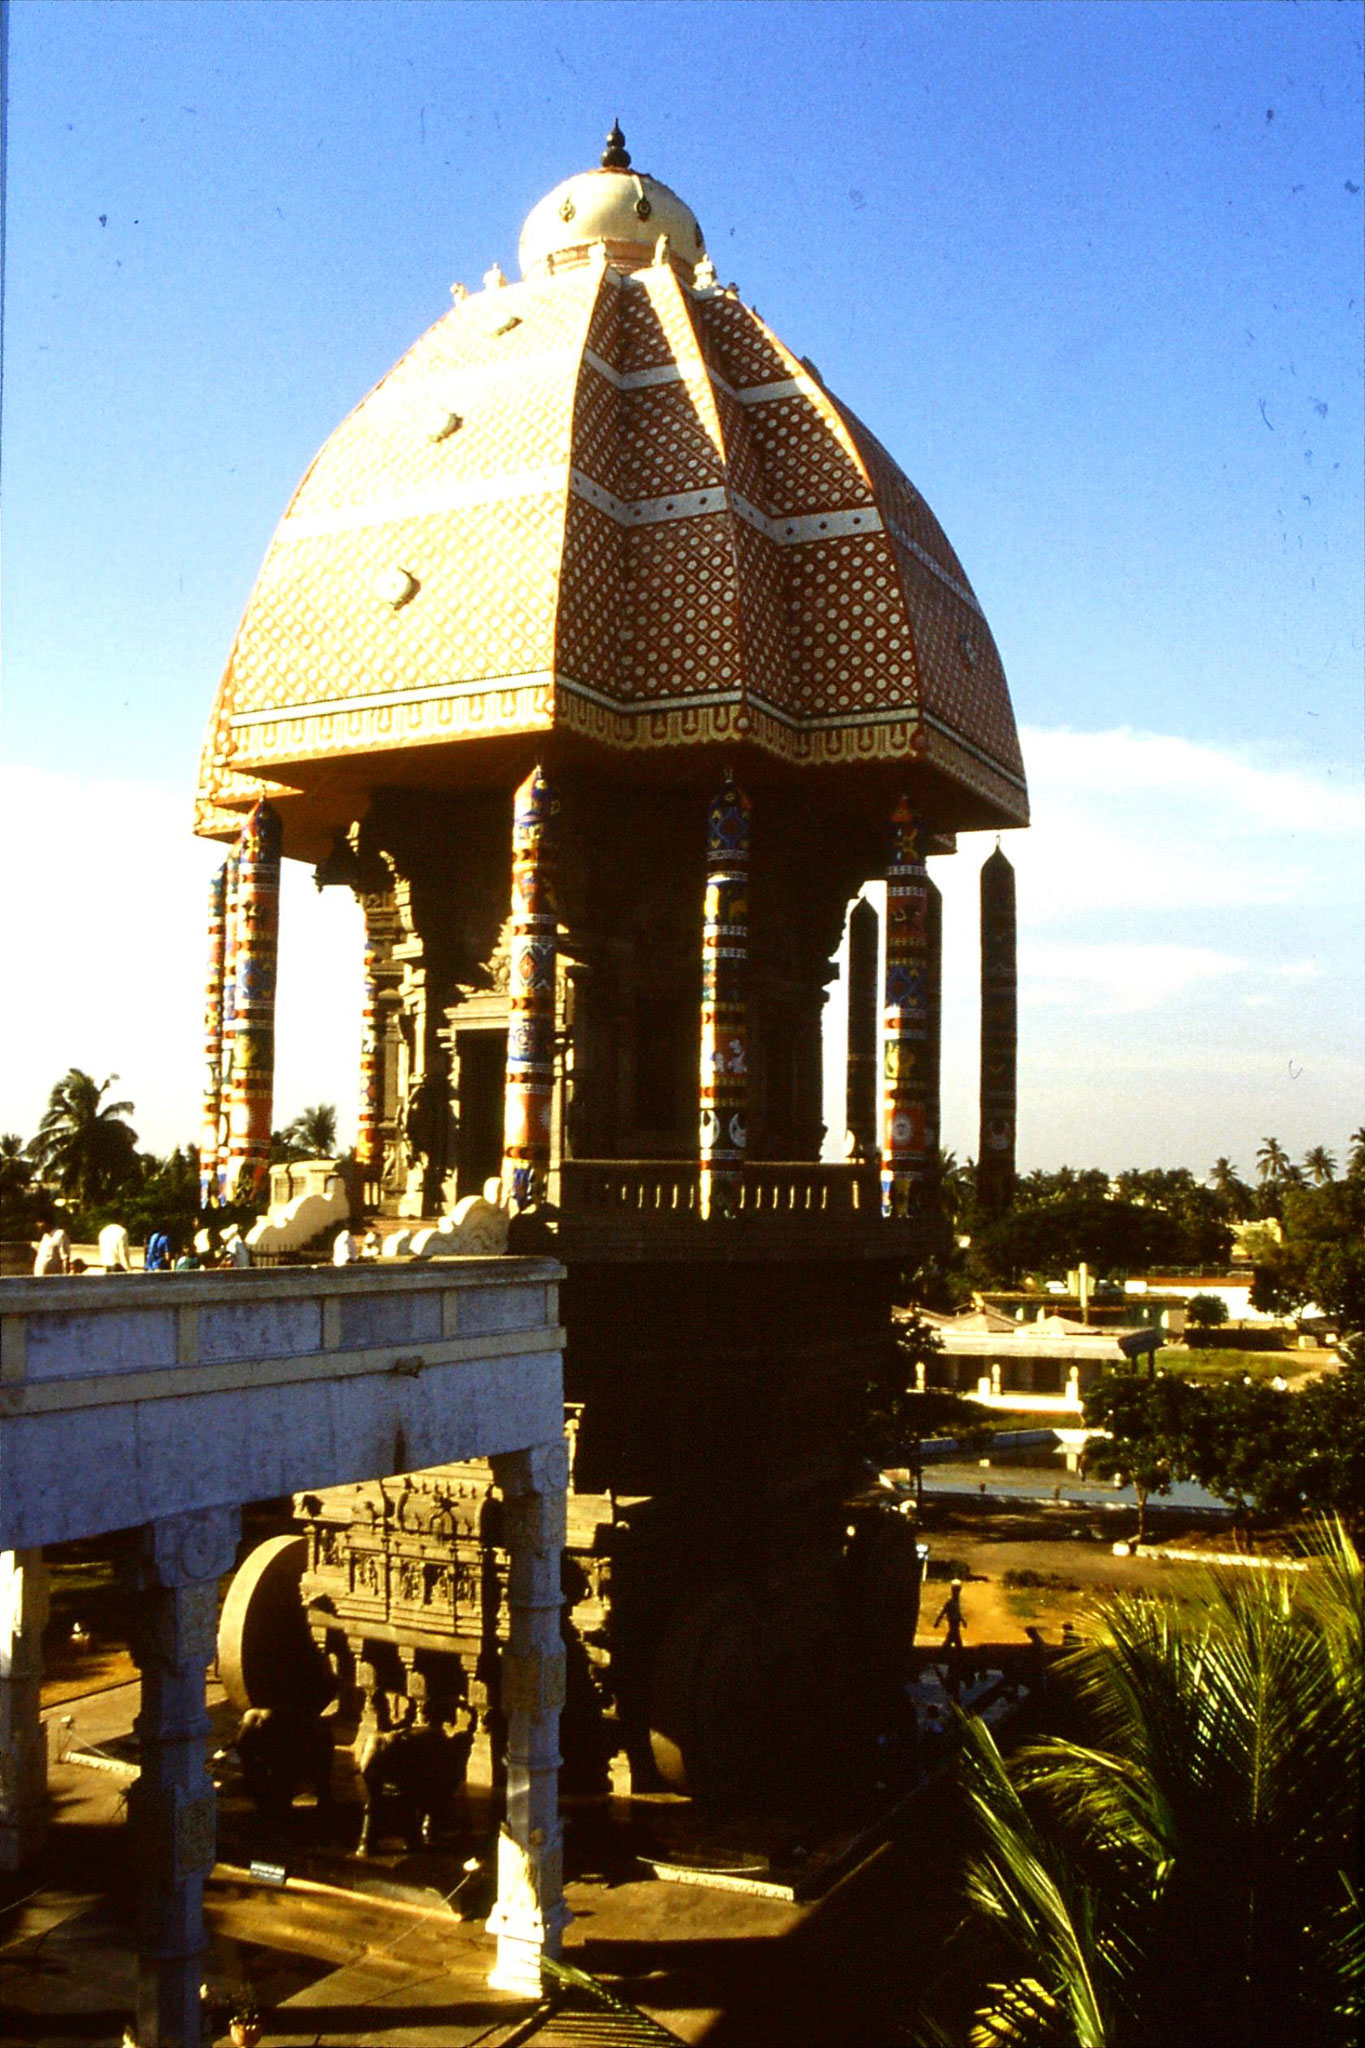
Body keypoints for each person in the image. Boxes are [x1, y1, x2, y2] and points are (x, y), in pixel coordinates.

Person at [935, 1579, 967, 1654]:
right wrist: (937, 1622)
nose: (958, 1594)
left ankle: (943, 1654)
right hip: (953, 1623)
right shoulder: (950, 1603)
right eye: (957, 1591)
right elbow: (943, 1612)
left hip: (956, 1624)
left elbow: (958, 1613)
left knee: (951, 1640)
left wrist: (962, 1621)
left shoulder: (956, 1602)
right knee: (954, 1641)